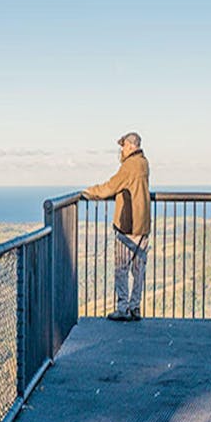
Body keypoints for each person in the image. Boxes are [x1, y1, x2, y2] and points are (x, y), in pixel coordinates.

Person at [82, 132, 150, 321]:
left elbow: (110, 187)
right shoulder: (144, 163)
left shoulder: (130, 166)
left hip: (128, 225)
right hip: (142, 224)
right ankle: (135, 307)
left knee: (121, 267)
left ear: (130, 146)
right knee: (138, 269)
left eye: (123, 146)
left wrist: (90, 191)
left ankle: (122, 308)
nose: (121, 150)